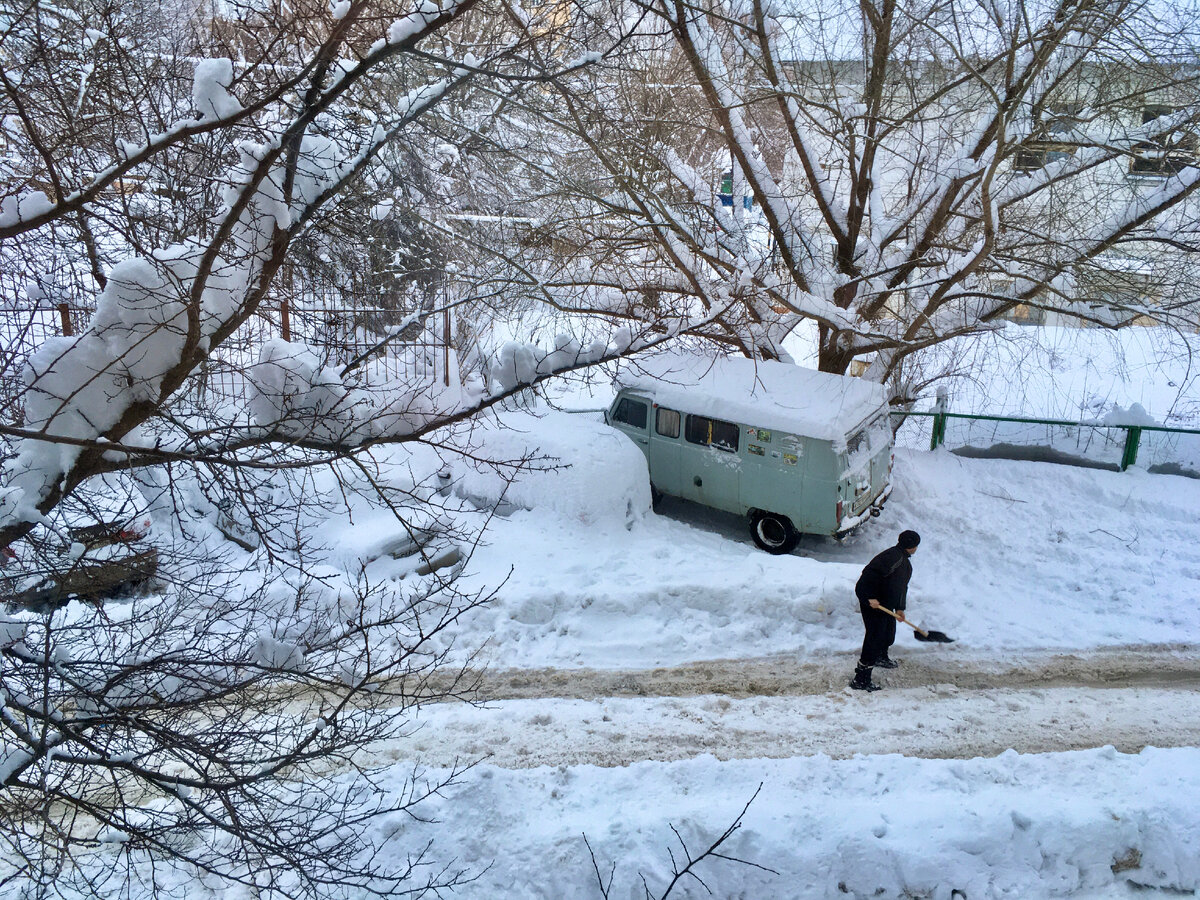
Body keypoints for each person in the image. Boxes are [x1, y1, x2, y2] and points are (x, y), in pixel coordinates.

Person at [849, 530, 920, 692]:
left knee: (888, 633)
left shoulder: (905, 563)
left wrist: (900, 608)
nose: (916, 548)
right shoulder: (891, 557)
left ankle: (881, 656)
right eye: (916, 545)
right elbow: (866, 577)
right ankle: (861, 679)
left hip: (886, 606)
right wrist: (869, 598)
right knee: (874, 637)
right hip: (874, 604)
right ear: (911, 546)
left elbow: (902, 588)